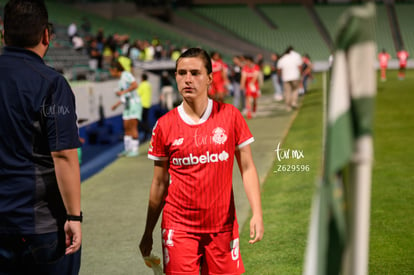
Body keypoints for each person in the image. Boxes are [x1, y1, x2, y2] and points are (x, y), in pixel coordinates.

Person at [139, 48, 264, 275]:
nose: (187, 79)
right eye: (181, 72)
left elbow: (247, 167)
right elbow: (159, 183)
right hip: (179, 227)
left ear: (209, 78)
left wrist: (257, 212)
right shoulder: (164, 125)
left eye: (195, 73)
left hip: (222, 227)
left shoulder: (230, 116)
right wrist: (148, 231)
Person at [0, 0, 82, 274]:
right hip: (39, 224)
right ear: (46, 35)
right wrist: (73, 215)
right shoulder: (51, 83)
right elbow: (64, 155)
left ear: (3, 32)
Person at [110, 60, 142, 157]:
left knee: (133, 126)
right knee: (126, 127)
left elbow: (135, 85)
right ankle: (128, 149)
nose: (110, 73)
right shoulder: (120, 81)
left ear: (115, 70)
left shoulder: (126, 75)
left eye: (111, 71)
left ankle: (135, 150)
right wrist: (116, 105)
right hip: (127, 105)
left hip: (134, 104)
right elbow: (124, 96)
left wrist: (124, 92)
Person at [277, 46, 303, 111]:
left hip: (286, 77)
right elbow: (299, 66)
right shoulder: (296, 56)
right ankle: (294, 102)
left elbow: (279, 69)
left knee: (287, 92)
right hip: (295, 76)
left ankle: (288, 106)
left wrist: (279, 76)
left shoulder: (282, 58)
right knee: (295, 90)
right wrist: (301, 74)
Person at [240, 55, 261, 119]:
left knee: (254, 99)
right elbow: (243, 77)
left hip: (255, 85)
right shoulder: (245, 68)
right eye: (246, 61)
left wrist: (252, 84)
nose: (247, 63)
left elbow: (255, 77)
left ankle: (254, 109)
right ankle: (249, 112)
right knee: (248, 98)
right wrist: (242, 85)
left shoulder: (256, 67)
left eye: (248, 61)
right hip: (248, 85)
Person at [137, 72, 153, 142]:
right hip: (148, 104)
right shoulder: (149, 85)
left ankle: (149, 131)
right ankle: (146, 136)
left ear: (142, 78)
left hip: (142, 104)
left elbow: (138, 93)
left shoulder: (142, 85)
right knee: (145, 120)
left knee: (140, 121)